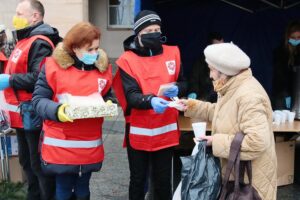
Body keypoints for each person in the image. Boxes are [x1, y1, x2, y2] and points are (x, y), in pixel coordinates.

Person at [180, 43, 277, 200]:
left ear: (224, 72)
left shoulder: (249, 96)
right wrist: (190, 105)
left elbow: (257, 142)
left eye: (211, 69)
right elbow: (222, 113)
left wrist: (215, 141)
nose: (210, 75)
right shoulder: (232, 87)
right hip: (238, 179)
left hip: (250, 186)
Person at [32, 22, 112, 200]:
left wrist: (108, 104)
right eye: (89, 49)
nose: (94, 54)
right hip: (61, 146)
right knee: (63, 189)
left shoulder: (102, 69)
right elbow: (38, 100)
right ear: (75, 48)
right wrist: (58, 110)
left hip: (89, 145)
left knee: (84, 189)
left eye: (97, 48)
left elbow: (108, 95)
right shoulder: (53, 67)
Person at [113, 10, 187, 200]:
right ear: (138, 34)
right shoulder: (127, 60)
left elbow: (184, 82)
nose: (154, 33)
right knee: (138, 180)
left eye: (157, 29)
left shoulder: (173, 53)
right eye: (148, 30)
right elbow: (131, 96)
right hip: (139, 132)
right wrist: (151, 100)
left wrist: (177, 87)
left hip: (166, 130)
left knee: (163, 181)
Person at [0, 0, 60, 199]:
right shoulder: (25, 39)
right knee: (27, 162)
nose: (15, 17)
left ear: (35, 16)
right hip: (21, 113)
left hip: (32, 112)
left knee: (37, 163)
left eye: (19, 13)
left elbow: (39, 78)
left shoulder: (40, 42)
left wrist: (10, 80)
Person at [272, 20, 300, 110]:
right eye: (293, 37)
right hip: (282, 92)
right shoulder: (280, 52)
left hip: (296, 92)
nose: (296, 40)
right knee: (281, 117)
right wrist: (287, 94)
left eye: (298, 37)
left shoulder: (298, 52)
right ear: (288, 37)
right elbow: (279, 76)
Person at [187, 32, 224, 102]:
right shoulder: (201, 61)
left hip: (220, 100)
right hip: (202, 98)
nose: (220, 49)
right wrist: (193, 91)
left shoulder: (227, 63)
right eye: (216, 47)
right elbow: (194, 80)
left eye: (222, 46)